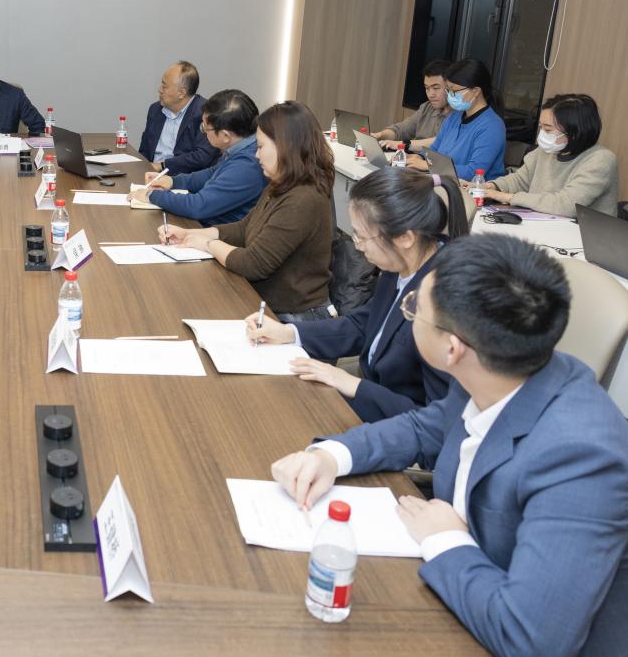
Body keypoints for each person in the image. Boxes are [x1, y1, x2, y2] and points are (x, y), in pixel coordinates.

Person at [270, 235, 628, 656]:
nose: (407, 312)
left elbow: (531, 638)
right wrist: (331, 456)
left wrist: (444, 539)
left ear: (452, 348)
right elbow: (424, 427)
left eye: (413, 309)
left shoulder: (583, 458)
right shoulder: (497, 368)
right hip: (464, 597)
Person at [246, 167, 466, 422]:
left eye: (361, 237)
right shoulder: (400, 264)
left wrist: (353, 385)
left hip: (401, 425)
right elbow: (364, 324)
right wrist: (289, 333)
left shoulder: (445, 302)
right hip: (373, 391)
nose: (358, 247)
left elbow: (437, 421)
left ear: (405, 238)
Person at [159, 101, 335, 321]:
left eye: (261, 147)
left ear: (285, 147)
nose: (257, 155)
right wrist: (191, 234)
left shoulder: (303, 199)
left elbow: (254, 264)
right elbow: (245, 228)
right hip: (264, 301)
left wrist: (207, 244)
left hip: (293, 317)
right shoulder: (282, 183)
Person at [131, 88, 265, 226]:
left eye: (205, 128)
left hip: (216, 231)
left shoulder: (247, 165)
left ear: (225, 136)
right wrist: (173, 181)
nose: (203, 132)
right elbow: (212, 173)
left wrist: (151, 195)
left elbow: (199, 205)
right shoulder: (242, 147)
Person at [476, 94, 619, 217]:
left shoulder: (601, 160)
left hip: (581, 236)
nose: (542, 134)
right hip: (542, 224)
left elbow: (566, 205)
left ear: (574, 132)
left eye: (548, 129)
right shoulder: (547, 150)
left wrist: (509, 197)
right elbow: (520, 180)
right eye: (541, 127)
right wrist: (490, 187)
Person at [407, 58, 505, 181]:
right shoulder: (455, 116)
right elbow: (434, 150)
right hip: (443, 181)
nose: (450, 95)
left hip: (473, 190)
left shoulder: (492, 127)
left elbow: (473, 172)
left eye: (454, 91)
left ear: (475, 91)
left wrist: (427, 165)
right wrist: (420, 157)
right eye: (448, 90)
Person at [136, 61, 219, 175]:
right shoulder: (155, 110)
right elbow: (144, 150)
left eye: (165, 86)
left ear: (181, 93)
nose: (160, 89)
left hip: (183, 178)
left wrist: (163, 166)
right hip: (150, 174)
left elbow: (203, 156)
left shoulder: (205, 114)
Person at [373, 59, 452, 152]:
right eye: (427, 88)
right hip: (412, 157)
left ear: (451, 87)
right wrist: (379, 135)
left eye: (436, 88)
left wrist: (403, 144)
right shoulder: (427, 107)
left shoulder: (460, 115)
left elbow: (440, 142)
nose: (431, 94)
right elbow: (402, 130)